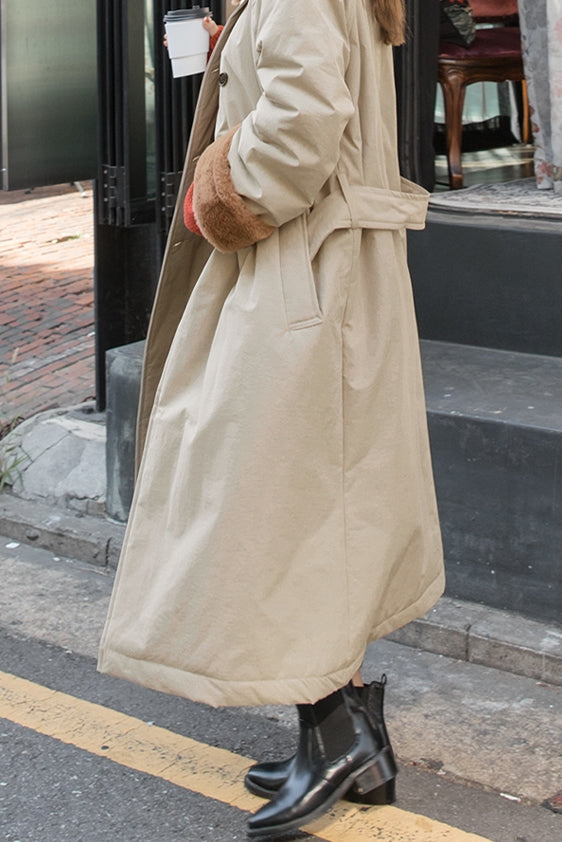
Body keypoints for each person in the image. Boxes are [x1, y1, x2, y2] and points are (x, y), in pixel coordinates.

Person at [98, 0, 445, 836]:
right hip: (329, 277)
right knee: (325, 513)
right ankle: (353, 738)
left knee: (280, 513)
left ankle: (336, 739)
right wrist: (240, 48)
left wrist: (212, 199)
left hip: (303, 278)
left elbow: (301, 130)